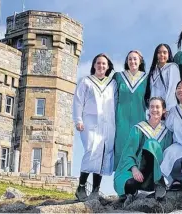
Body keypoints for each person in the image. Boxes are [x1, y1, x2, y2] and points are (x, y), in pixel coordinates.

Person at [73, 54, 117, 202]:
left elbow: (116, 103)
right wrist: (78, 119)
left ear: (108, 66)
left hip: (108, 123)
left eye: (104, 64)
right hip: (90, 122)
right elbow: (78, 102)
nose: (101, 66)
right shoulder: (86, 81)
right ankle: (81, 186)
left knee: (104, 152)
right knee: (91, 151)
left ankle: (96, 190)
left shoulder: (112, 84)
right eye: (98, 63)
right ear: (94, 65)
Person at [114, 97, 172, 207]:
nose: (154, 109)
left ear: (164, 110)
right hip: (139, 172)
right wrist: (134, 169)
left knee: (151, 144)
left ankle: (158, 184)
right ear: (148, 109)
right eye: (151, 107)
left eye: (157, 107)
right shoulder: (139, 128)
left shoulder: (167, 131)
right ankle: (136, 193)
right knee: (128, 184)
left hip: (159, 173)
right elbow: (128, 152)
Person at [114, 50, 148, 170]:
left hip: (139, 118)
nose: (132, 61)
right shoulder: (118, 76)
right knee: (121, 147)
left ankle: (137, 182)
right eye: (130, 59)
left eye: (135, 59)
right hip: (121, 119)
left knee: (137, 147)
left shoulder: (147, 78)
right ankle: (122, 181)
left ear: (140, 61)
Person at [144, 43, 180, 111]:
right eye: (159, 52)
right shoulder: (153, 71)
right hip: (155, 108)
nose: (162, 55)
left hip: (167, 108)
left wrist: (168, 109)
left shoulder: (172, 67)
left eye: (164, 52)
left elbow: (172, 89)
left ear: (168, 54)